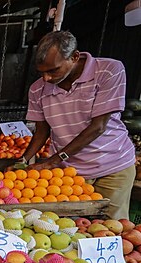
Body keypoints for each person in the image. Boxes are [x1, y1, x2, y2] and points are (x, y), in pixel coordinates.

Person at [21, 30, 135, 219]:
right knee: (70, 229)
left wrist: (53, 161)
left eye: (53, 70)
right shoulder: (37, 89)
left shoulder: (108, 71)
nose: (46, 78)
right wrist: (22, 160)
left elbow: (98, 126)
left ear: (74, 57)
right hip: (70, 172)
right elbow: (42, 131)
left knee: (112, 226)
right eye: (41, 72)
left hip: (113, 165)